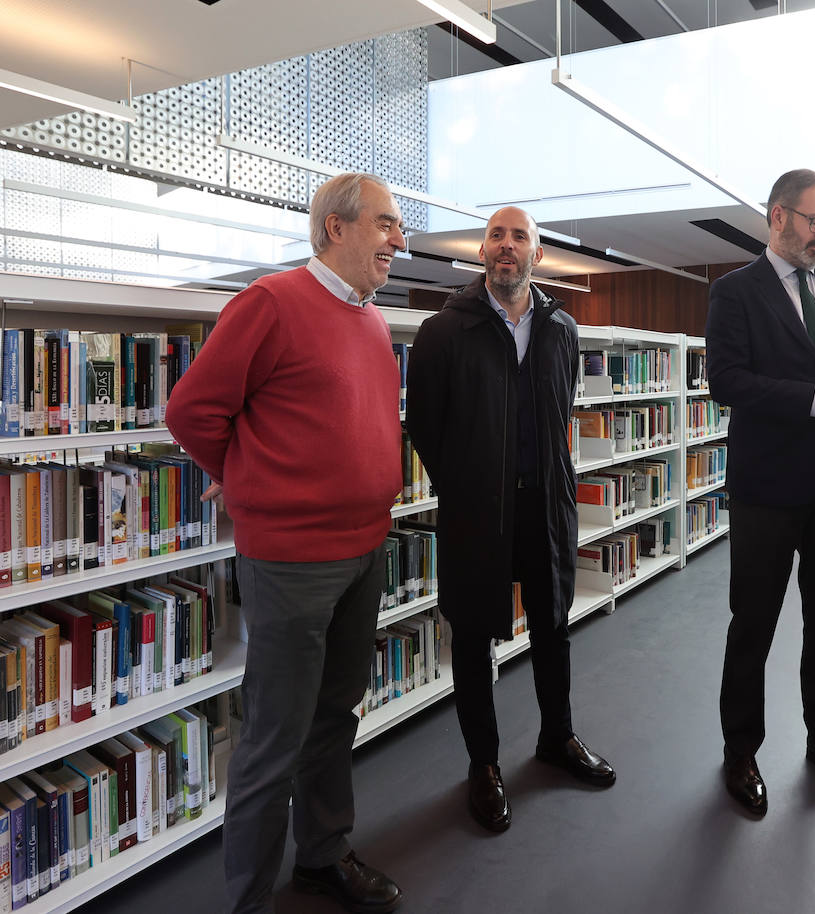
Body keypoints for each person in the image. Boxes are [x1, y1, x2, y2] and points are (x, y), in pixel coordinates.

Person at [166, 173, 405, 914]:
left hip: (365, 547)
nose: (399, 240)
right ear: (336, 228)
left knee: (337, 714)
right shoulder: (269, 304)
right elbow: (192, 410)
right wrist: (238, 471)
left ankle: (323, 857)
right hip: (294, 561)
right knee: (275, 736)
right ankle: (248, 898)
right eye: (385, 224)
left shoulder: (369, 321)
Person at [405, 206, 614, 835]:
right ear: (482, 253)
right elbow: (424, 425)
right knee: (472, 637)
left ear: (537, 255)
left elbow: (562, 408)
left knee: (553, 624)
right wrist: (462, 484)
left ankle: (557, 737)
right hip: (477, 510)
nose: (506, 245)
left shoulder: (562, 329)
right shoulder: (445, 331)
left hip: (545, 503)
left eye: (519, 236)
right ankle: (484, 765)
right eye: (496, 235)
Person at [705, 169, 815, 816]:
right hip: (766, 487)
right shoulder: (735, 293)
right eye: (814, 221)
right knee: (753, 624)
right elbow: (726, 382)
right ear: (777, 216)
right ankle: (740, 752)